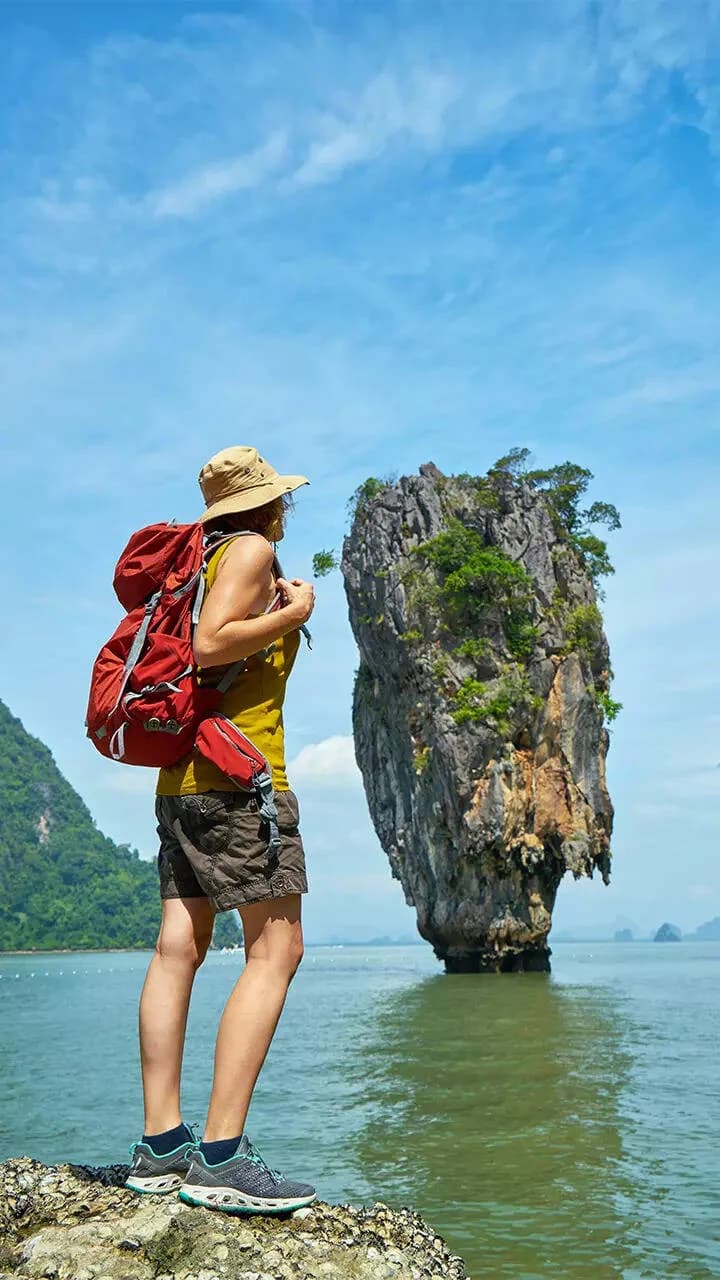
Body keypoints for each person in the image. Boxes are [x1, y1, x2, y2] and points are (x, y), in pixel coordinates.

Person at [125, 445, 317, 1214]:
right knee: (278, 949)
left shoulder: (196, 561)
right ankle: (222, 1157)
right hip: (240, 784)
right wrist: (292, 615)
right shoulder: (251, 551)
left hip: (182, 781)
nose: (286, 510)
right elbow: (209, 646)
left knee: (179, 947)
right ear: (268, 504)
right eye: (281, 499)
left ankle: (161, 1147)